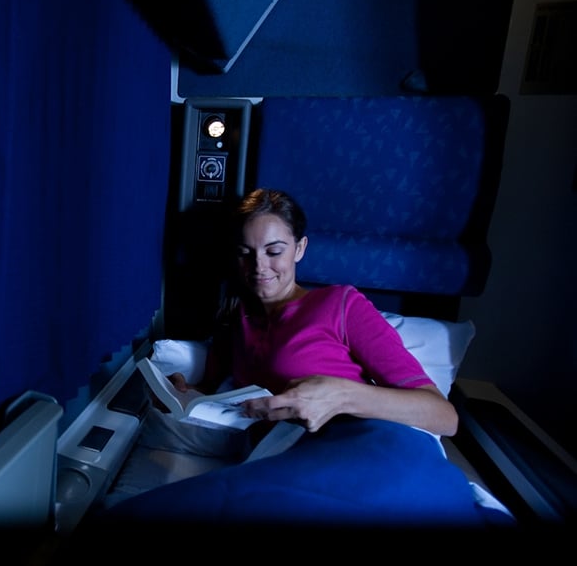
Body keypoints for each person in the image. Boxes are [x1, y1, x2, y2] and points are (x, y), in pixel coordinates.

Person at [166, 186, 458, 442]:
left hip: (360, 447)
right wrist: (180, 393)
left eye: (274, 251)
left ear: (299, 249)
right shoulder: (234, 322)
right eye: (246, 253)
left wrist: (343, 396)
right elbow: (213, 398)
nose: (259, 266)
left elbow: (443, 416)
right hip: (279, 460)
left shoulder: (340, 305)